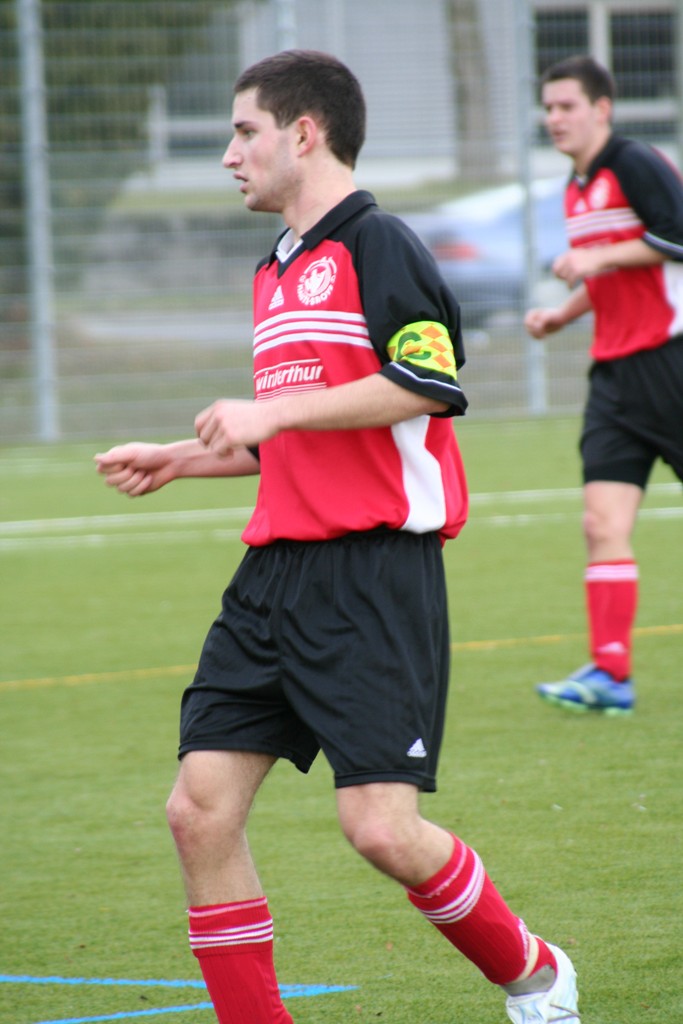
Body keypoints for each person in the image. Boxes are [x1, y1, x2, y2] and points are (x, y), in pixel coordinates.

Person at [96, 50, 579, 1024]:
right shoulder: (272, 269)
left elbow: (427, 382)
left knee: (379, 829)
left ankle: (534, 973)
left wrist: (271, 413)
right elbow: (301, 435)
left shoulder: (377, 243)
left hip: (372, 578)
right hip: (270, 576)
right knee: (197, 811)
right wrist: (182, 457)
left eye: (244, 131)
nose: (229, 153)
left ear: (304, 133)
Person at [525, 55, 683, 715]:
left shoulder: (634, 163)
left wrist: (598, 255)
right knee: (601, 522)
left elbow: (675, 237)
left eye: (566, 106)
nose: (554, 118)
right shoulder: (575, 185)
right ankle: (610, 675)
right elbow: (613, 274)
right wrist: (563, 314)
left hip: (671, 362)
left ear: (602, 109)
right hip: (614, 377)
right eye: (548, 107)